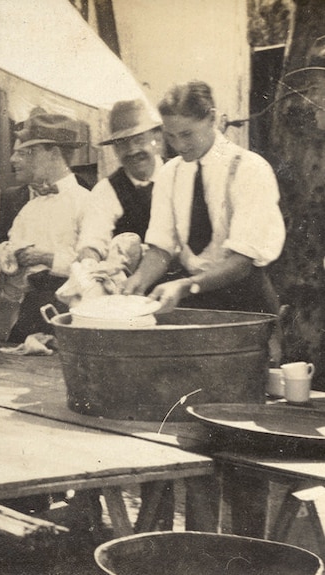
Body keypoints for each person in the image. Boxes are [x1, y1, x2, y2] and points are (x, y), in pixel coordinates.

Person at [123, 80, 286, 537]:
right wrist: (134, 286)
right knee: (194, 435)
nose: (177, 145)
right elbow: (161, 246)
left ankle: (250, 549)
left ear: (214, 119)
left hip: (245, 307)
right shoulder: (171, 173)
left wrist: (185, 287)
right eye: (170, 136)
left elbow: (240, 261)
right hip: (195, 310)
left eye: (187, 135)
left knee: (244, 442)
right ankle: (197, 546)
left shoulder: (249, 169)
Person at [0, 109, 113, 342]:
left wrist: (47, 258)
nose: (14, 160)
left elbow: (96, 268)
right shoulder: (29, 209)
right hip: (28, 313)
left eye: (28, 152)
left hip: (70, 312)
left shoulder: (89, 202)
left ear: (54, 153)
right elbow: (11, 277)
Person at [93, 99, 164, 240]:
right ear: (115, 150)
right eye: (123, 144)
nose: (132, 150)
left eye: (139, 140)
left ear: (155, 139)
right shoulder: (105, 190)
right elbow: (93, 238)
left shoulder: (179, 174)